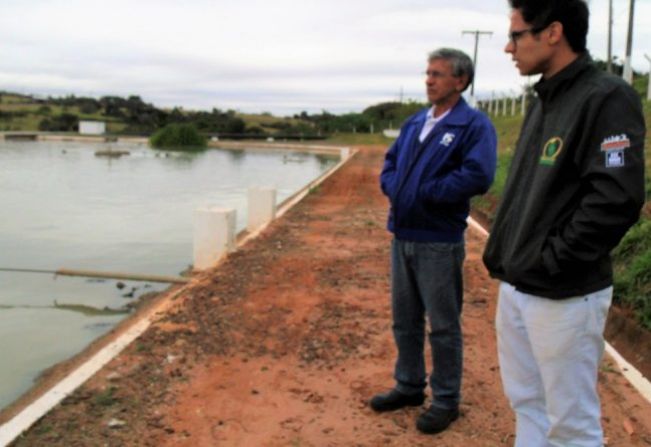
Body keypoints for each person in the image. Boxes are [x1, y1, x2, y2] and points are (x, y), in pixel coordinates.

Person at [482, 1, 646, 445]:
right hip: (518, 285)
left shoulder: (605, 97)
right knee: (527, 405)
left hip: (564, 293)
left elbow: (616, 197)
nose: (507, 47)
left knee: (571, 424)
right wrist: (517, 262)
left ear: (553, 32)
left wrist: (553, 260)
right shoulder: (544, 99)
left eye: (517, 35)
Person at [372, 48, 497, 434]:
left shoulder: (472, 125)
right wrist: (396, 188)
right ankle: (409, 385)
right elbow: (390, 165)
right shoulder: (414, 123)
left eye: (437, 74)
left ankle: (446, 399)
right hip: (403, 236)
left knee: (443, 326)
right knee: (404, 320)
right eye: (427, 73)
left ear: (460, 81)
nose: (428, 80)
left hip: (439, 241)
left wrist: (426, 192)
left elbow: (478, 175)